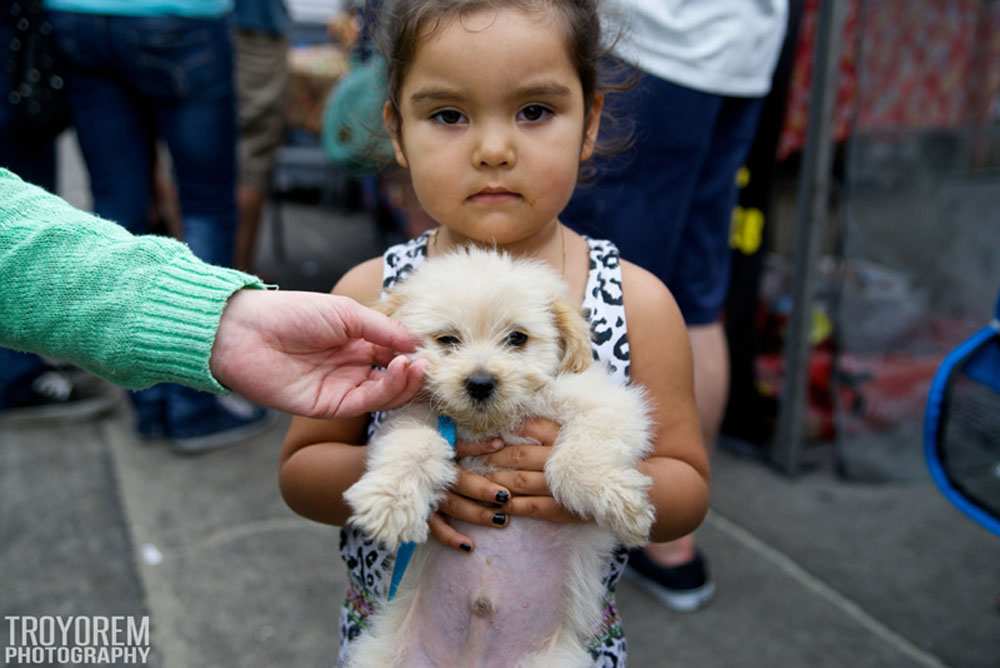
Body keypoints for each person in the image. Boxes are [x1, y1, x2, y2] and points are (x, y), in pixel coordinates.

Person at [277, 1, 708, 665]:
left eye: (534, 111)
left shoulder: (637, 302)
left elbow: (684, 491)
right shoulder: (369, 295)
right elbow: (301, 472)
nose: (493, 149)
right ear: (397, 129)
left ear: (589, 122)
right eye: (448, 115)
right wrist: (411, 474)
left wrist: (587, 487)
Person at [561, 0, 788, 611]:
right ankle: (674, 543)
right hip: (742, 51)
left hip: (652, 42)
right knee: (695, 300)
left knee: (599, 288)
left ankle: (622, 521)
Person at [0, 167, 425, 421]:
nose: (492, 150)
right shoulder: (374, 284)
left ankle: (160, 410)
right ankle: (189, 411)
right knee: (204, 201)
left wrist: (226, 322)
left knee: (128, 193)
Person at [44, 0, 262, 449]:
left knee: (117, 210)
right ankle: (191, 405)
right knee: (205, 208)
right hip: (178, 16)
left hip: (77, 14)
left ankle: (144, 400)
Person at [233, 0, 290, 272]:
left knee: (182, 157)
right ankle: (235, 279)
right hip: (253, 22)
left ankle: (182, 277)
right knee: (252, 149)